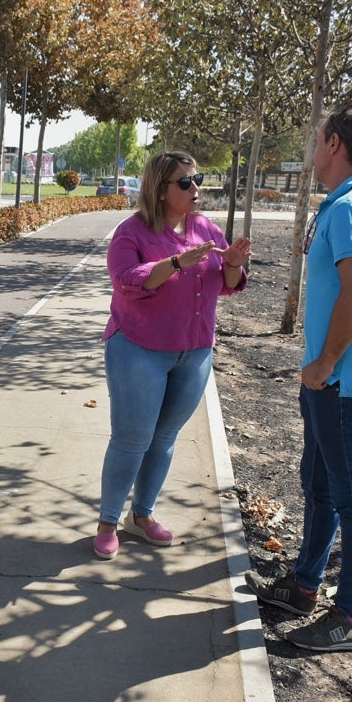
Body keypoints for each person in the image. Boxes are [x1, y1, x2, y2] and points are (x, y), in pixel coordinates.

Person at [245, 104, 352, 652]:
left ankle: (349, 617)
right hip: (334, 381)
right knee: (319, 485)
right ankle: (305, 585)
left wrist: (324, 363)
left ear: (334, 144)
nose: (313, 151)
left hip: (341, 383)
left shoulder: (351, 209)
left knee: (351, 498)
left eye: (317, 141)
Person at [94, 151, 251, 560]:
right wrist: (177, 262)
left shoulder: (206, 229)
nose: (196, 189)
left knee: (164, 439)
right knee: (132, 440)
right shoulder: (132, 233)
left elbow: (228, 284)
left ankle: (141, 516)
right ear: (160, 190)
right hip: (138, 348)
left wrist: (232, 263)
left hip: (194, 351)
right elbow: (127, 281)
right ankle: (108, 521)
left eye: (197, 180)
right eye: (185, 182)